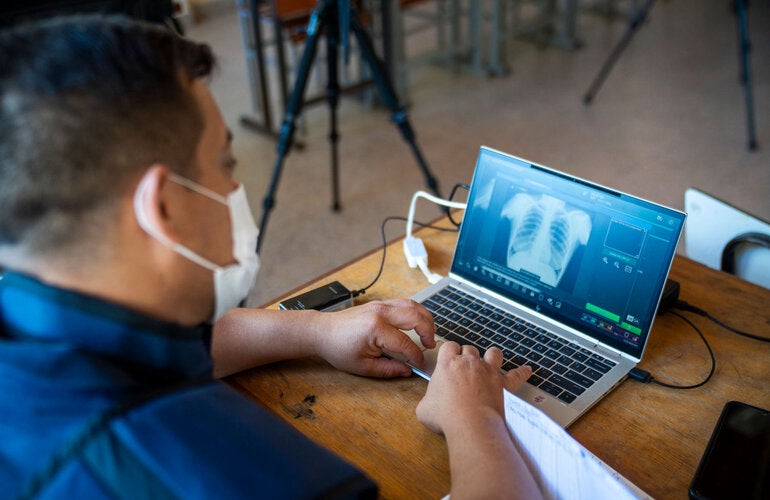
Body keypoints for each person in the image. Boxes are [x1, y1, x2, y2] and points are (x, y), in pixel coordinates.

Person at [0, 14, 540, 499]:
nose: (237, 186)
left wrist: (313, 331)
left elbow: (131, 350)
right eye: (225, 163)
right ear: (162, 207)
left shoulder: (28, 309)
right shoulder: (232, 475)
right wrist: (477, 420)